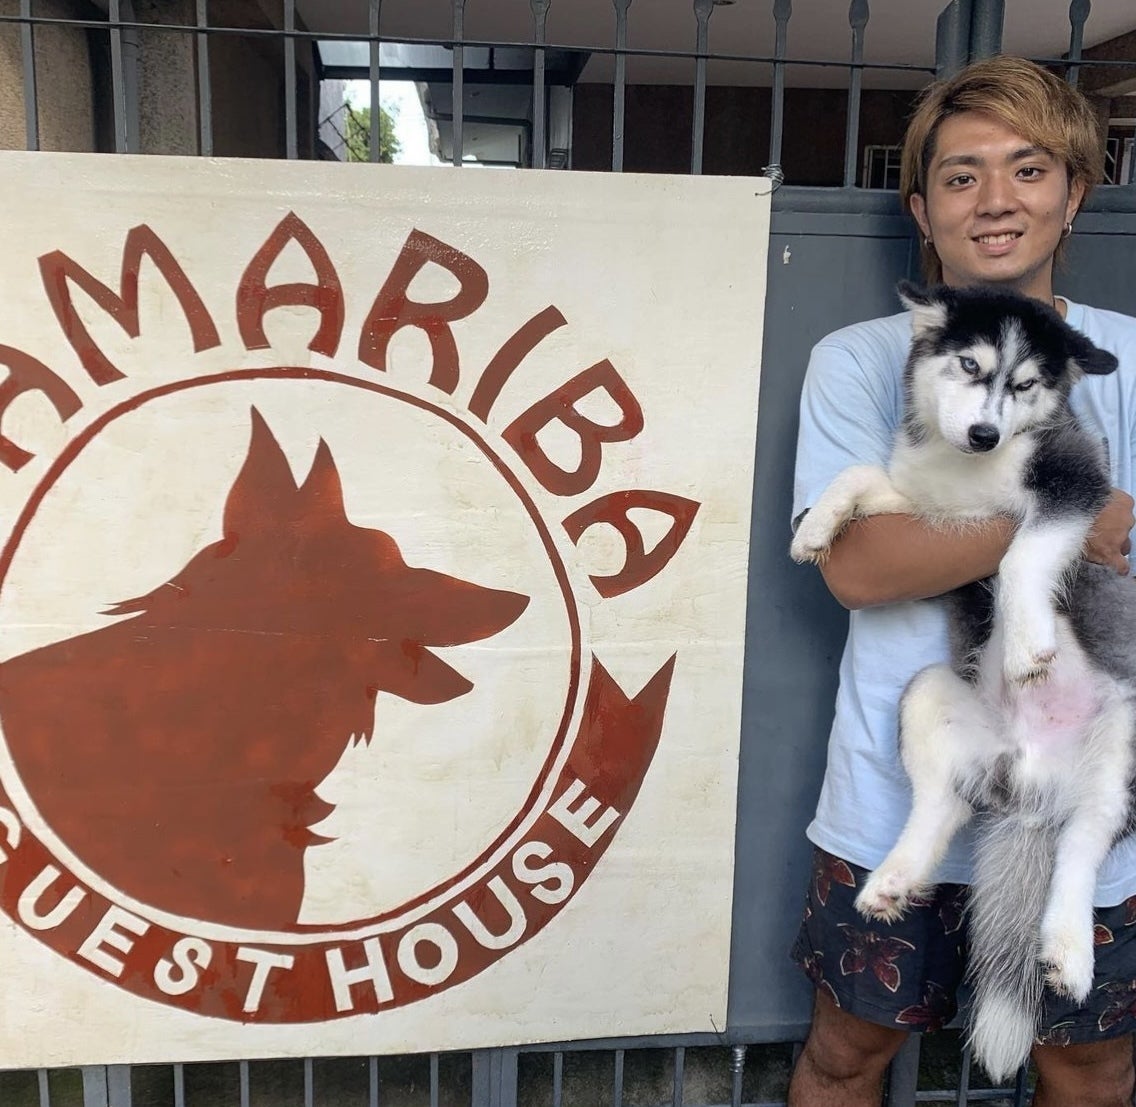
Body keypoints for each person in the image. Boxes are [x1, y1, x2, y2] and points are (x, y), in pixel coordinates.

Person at [787, 55, 1136, 1107]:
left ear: (1074, 195)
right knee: (846, 1056)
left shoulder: (1124, 357)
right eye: (960, 175)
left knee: (1089, 1066)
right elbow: (862, 567)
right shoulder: (859, 361)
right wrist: (1058, 513)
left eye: (1028, 170)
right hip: (894, 794)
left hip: (1087, 774)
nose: (994, 200)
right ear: (920, 208)